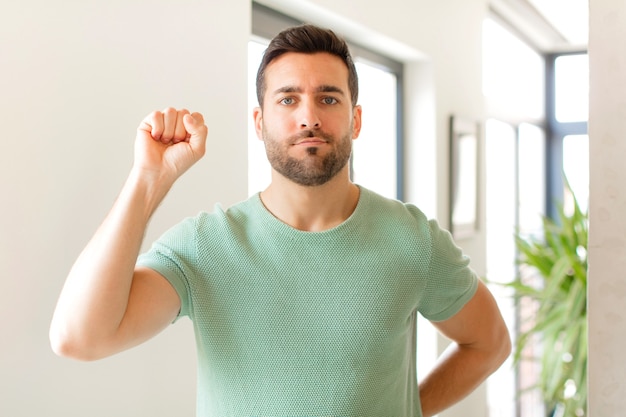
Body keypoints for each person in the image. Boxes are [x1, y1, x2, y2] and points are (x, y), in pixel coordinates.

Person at [50, 24, 511, 417]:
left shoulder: (411, 239)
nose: (308, 117)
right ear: (259, 121)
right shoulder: (205, 247)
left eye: (328, 99)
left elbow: (489, 343)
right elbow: (78, 337)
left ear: (356, 119)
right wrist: (148, 180)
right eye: (288, 100)